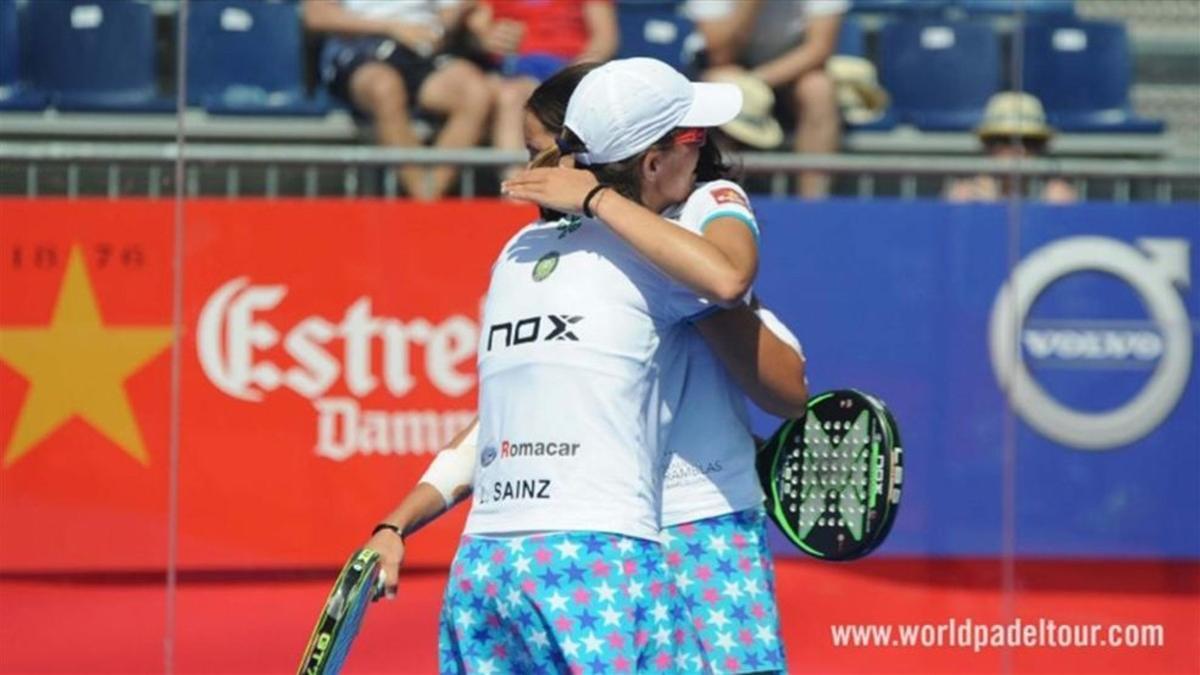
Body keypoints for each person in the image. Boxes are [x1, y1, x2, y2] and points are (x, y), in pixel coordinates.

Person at [366, 61, 804, 673]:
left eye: (548, 151)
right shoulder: (534, 249)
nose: (543, 169)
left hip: (698, 519)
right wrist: (397, 519)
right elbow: (503, 422)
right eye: (542, 152)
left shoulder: (704, 206)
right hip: (610, 539)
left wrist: (601, 205)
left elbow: (760, 338)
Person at [304, 0, 493, 200]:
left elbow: (446, 16)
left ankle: (429, 192)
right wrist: (391, 27)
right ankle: (423, 197)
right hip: (359, 49)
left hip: (421, 50)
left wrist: (458, 15)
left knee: (474, 92)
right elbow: (316, 15)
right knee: (384, 88)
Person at [683, 0, 847, 199]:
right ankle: (721, 201)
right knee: (722, 86)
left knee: (819, 89)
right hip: (728, 68)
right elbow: (721, 55)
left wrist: (754, 83)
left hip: (788, 70)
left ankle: (813, 205)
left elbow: (818, 49)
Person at [465, 0, 617, 169]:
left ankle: (517, 187)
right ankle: (517, 188)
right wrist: (487, 38)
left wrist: (566, 81)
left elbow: (604, 40)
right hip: (506, 73)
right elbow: (477, 26)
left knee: (512, 96)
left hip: (564, 73)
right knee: (497, 93)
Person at [945, 91, 1079, 204]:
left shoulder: (1059, 200)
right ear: (988, 146)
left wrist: (1058, 213)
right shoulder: (963, 200)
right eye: (1006, 140)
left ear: (1041, 147)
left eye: (1029, 141)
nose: (1019, 150)